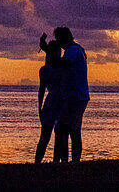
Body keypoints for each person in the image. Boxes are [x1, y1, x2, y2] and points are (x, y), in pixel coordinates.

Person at [39, 27, 90, 162]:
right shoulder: (76, 49)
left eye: (58, 39)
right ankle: (73, 162)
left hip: (76, 96)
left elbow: (61, 63)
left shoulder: (72, 50)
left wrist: (47, 50)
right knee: (74, 131)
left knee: (61, 129)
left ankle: (64, 162)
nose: (58, 42)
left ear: (63, 38)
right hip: (78, 95)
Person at [34, 40, 67, 164]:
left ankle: (59, 162)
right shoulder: (46, 69)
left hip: (59, 102)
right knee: (46, 136)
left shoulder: (60, 67)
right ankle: (38, 162)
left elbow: (42, 90)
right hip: (53, 102)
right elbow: (41, 90)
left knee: (60, 136)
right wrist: (39, 109)